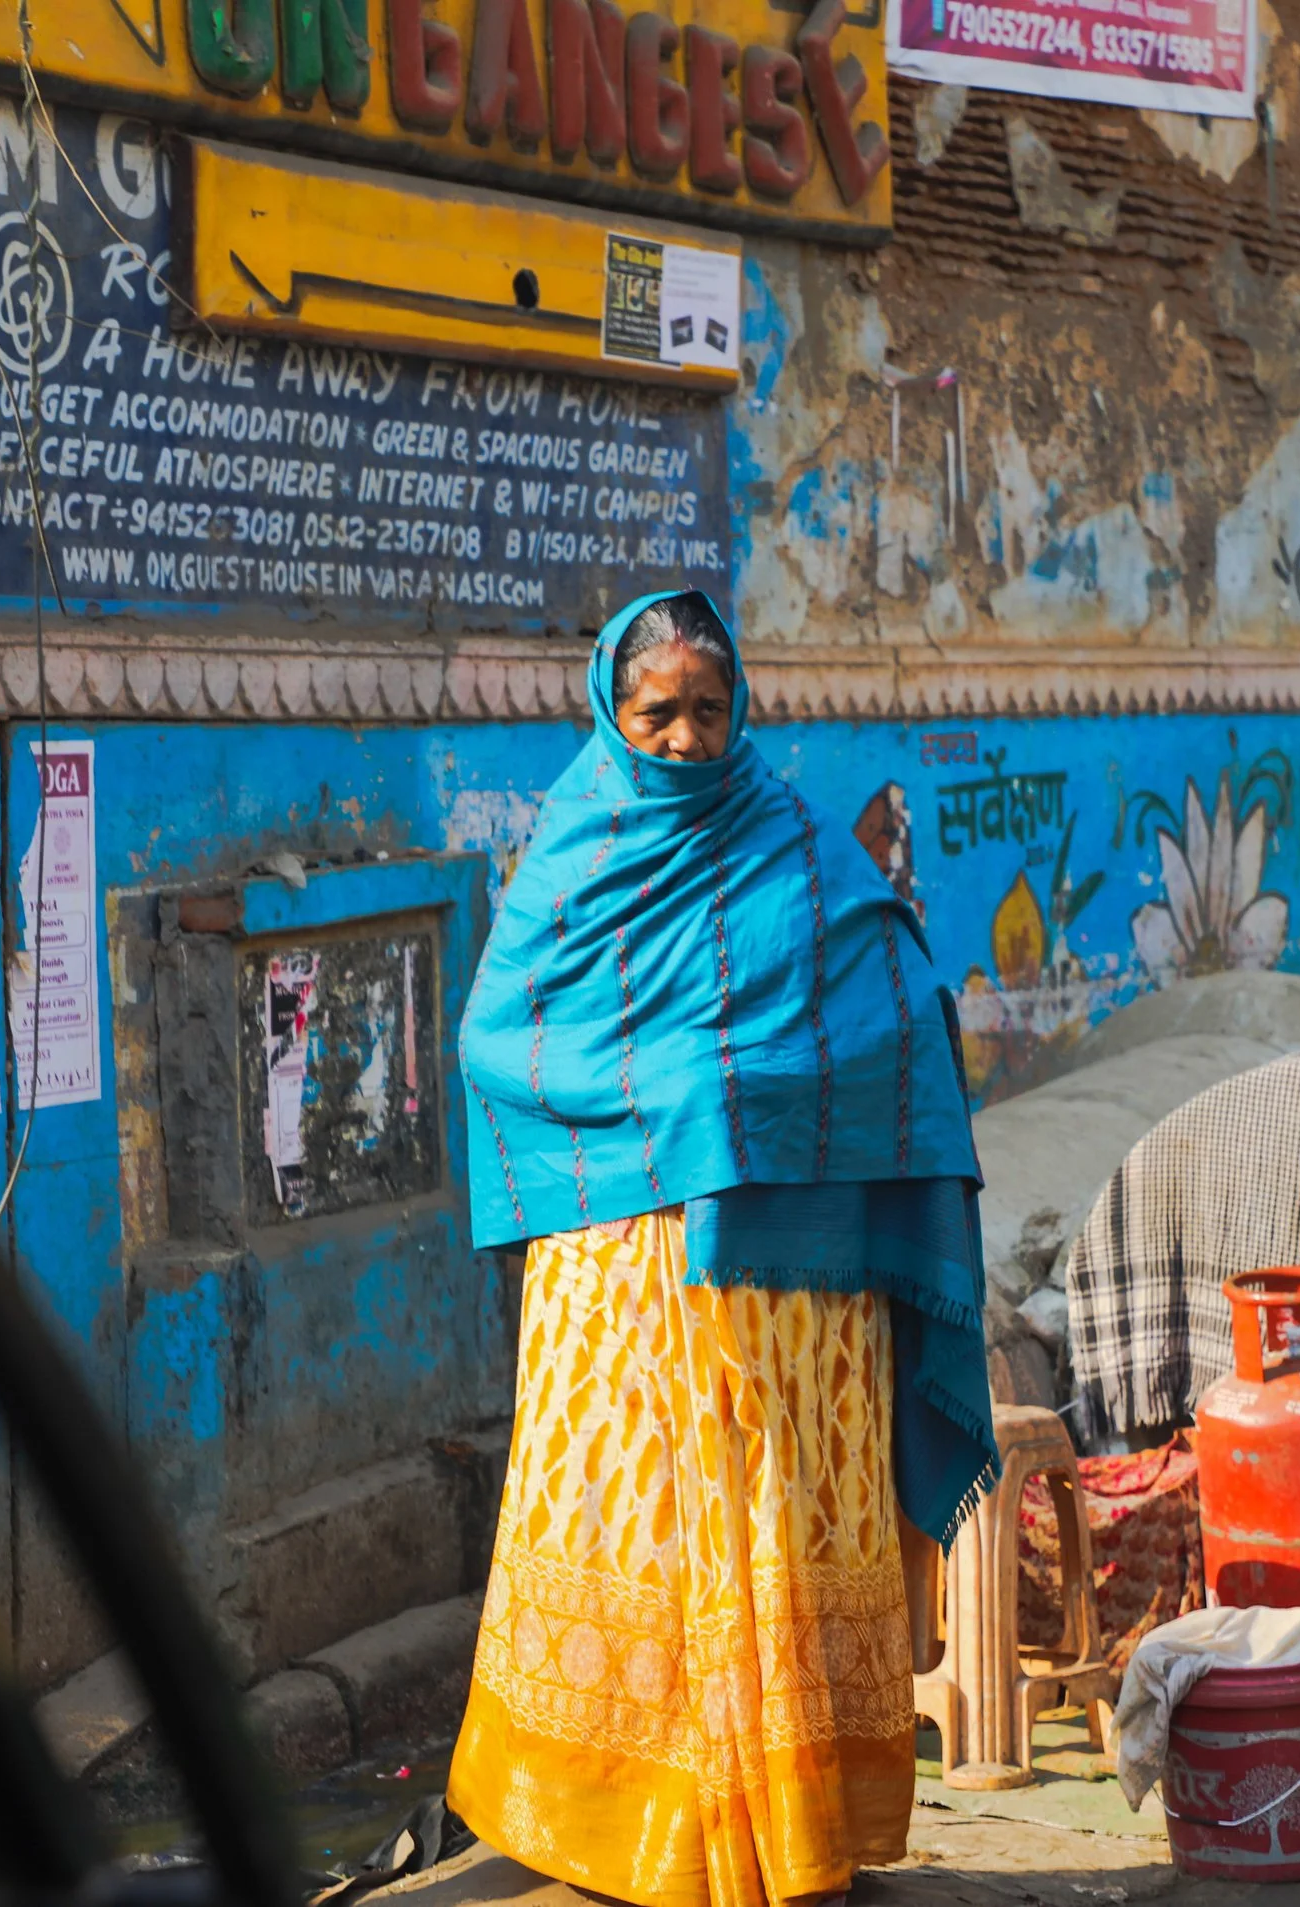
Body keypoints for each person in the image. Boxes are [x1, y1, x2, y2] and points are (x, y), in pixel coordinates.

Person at [448, 589, 998, 1907]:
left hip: (788, 1303)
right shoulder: (572, 858)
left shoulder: (799, 851)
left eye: (708, 708)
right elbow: (499, 1043)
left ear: (738, 707)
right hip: (627, 1298)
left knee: (775, 1548)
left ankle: (800, 1827)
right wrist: (675, 1106)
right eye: (659, 712)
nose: (688, 736)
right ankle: (619, 1829)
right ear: (611, 710)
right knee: (647, 1551)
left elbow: (904, 1013)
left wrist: (748, 1093)